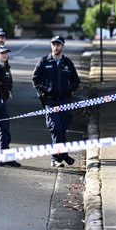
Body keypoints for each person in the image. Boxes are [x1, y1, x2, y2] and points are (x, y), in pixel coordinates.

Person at [32, 35, 80, 167]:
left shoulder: (67, 63)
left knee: (63, 128)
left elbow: (76, 81)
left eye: (58, 45)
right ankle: (55, 158)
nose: (55, 47)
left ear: (62, 46)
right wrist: (45, 90)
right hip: (50, 102)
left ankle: (63, 154)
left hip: (64, 100)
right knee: (56, 127)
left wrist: (67, 88)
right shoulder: (44, 61)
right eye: (53, 44)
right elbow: (35, 80)